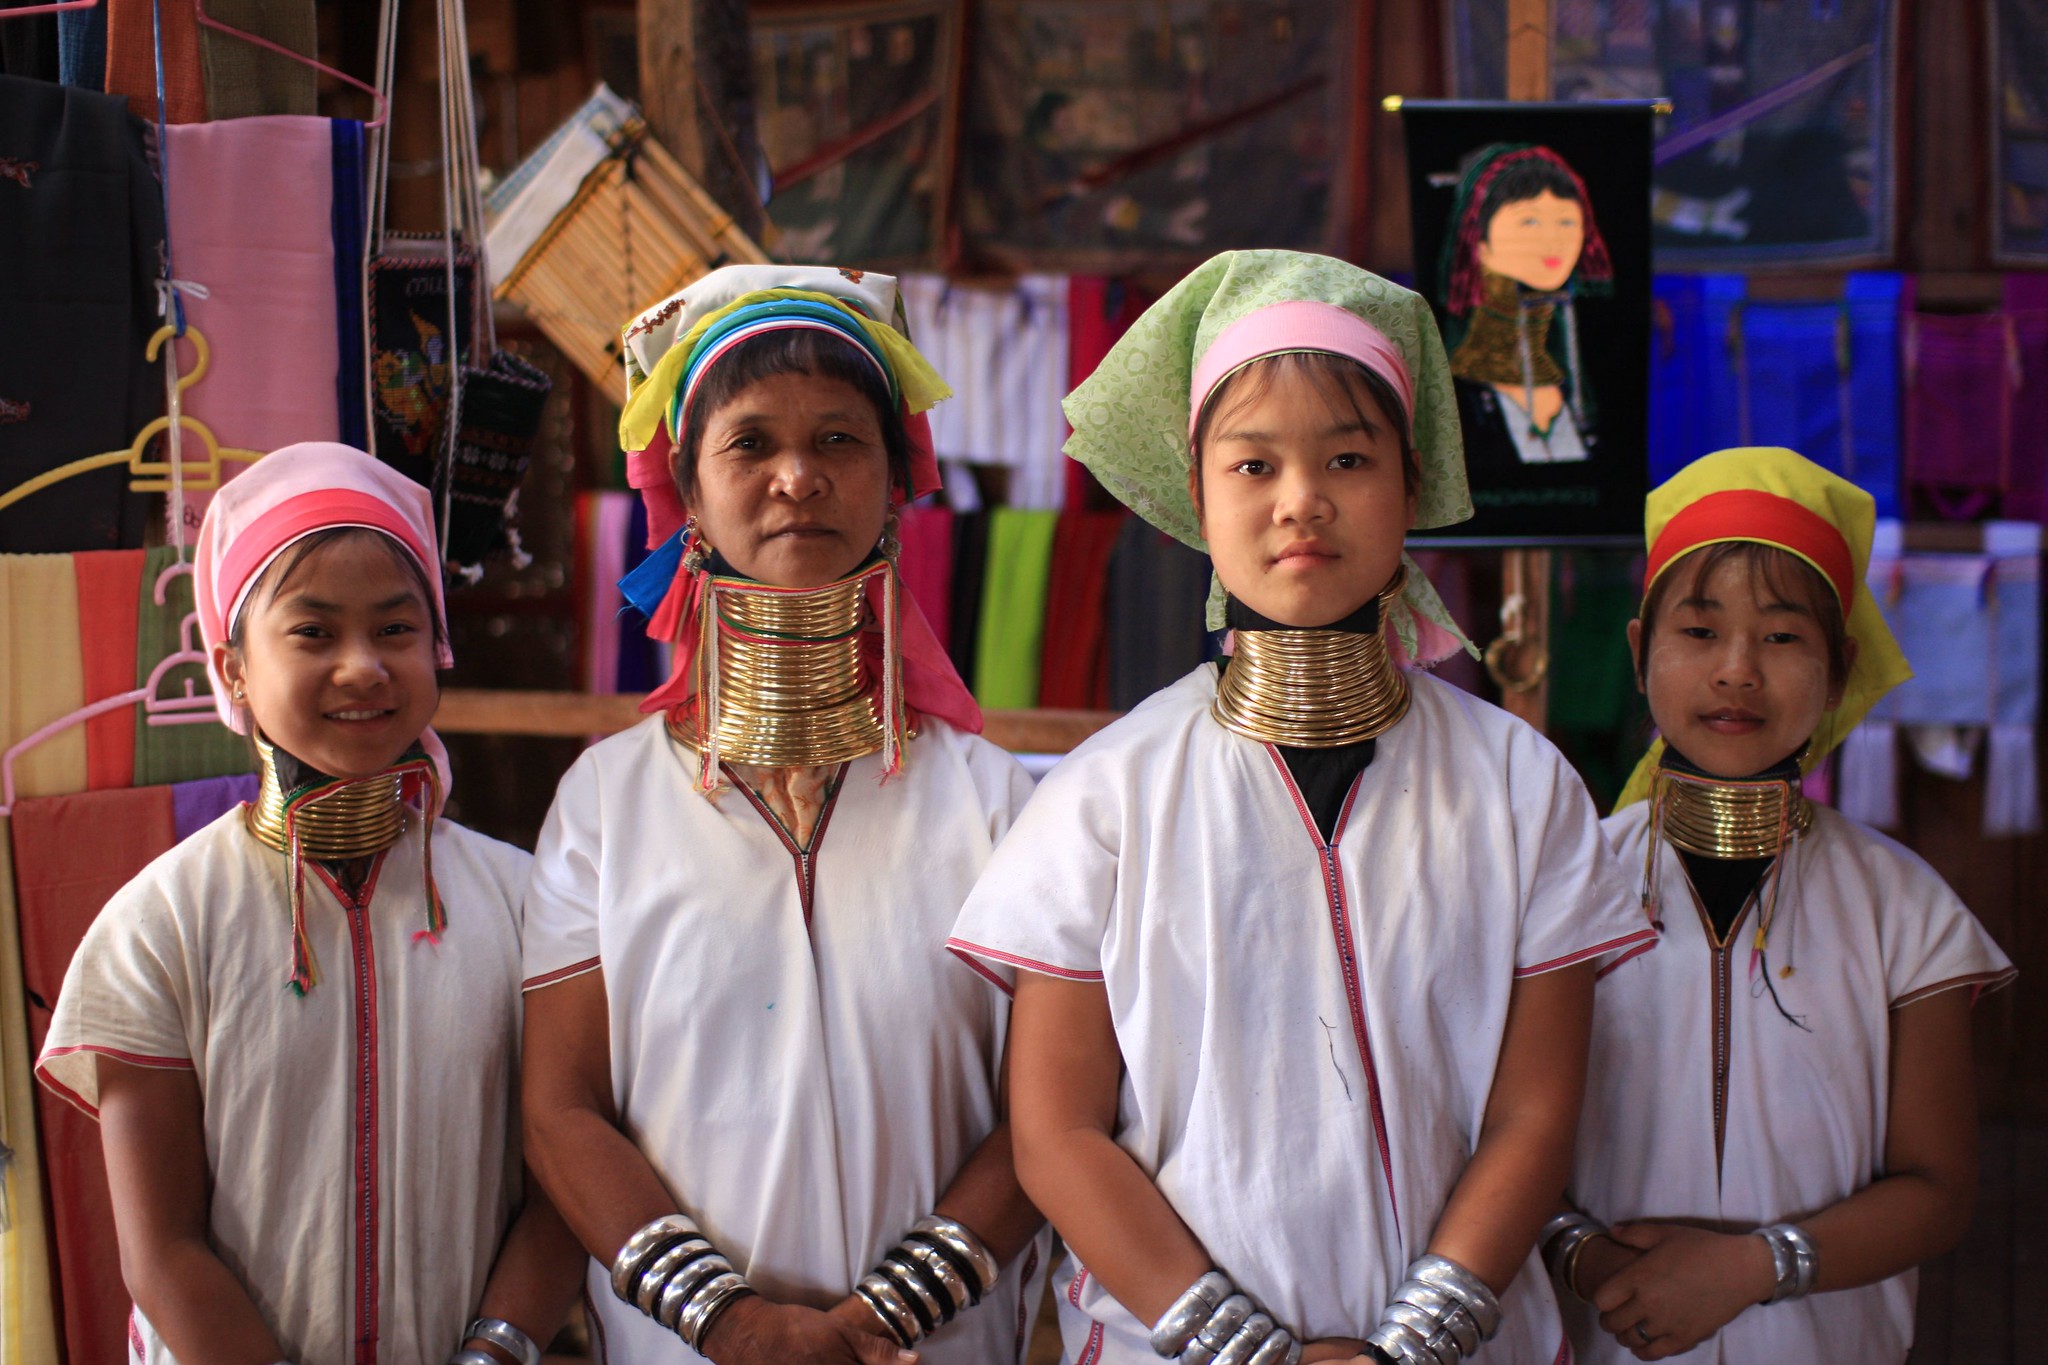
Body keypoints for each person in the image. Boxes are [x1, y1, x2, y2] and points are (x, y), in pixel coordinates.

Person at [947, 249, 1653, 1365]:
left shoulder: (1520, 786)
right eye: (1252, 463)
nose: (1300, 501)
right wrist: (1250, 1353)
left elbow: (1533, 1114)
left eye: (1348, 458)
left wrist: (1408, 1343)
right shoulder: (1102, 797)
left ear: (1412, 483)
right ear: (1195, 492)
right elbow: (1056, 1134)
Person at [520, 265, 1047, 1365]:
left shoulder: (997, 801)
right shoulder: (606, 805)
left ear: (895, 483)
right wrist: (733, 1324)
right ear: (688, 492)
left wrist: (881, 1319)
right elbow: (561, 1110)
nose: (797, 478)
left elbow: (1048, 1110)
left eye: (840, 441)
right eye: (750, 443)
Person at [36, 442, 582, 1365]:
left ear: (438, 647)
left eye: (396, 628)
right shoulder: (160, 926)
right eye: (314, 633)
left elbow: (564, 1178)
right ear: (233, 670)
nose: (362, 666)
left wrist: (493, 1353)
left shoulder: (525, 905)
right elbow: (162, 1250)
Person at [1542, 447, 2015, 1363]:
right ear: (1639, 653)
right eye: (1699, 630)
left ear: (1839, 670)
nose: (1737, 670)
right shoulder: (1561, 886)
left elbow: (1938, 1189)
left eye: (1783, 637)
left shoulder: (1906, 910)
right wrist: (1587, 1258)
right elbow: (1501, 1135)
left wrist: (1751, 1267)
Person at [1440, 142, 1614, 469]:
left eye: (1566, 222)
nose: (1553, 240)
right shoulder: (1454, 389)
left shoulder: (1575, 377)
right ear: (1479, 241)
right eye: (1529, 222)